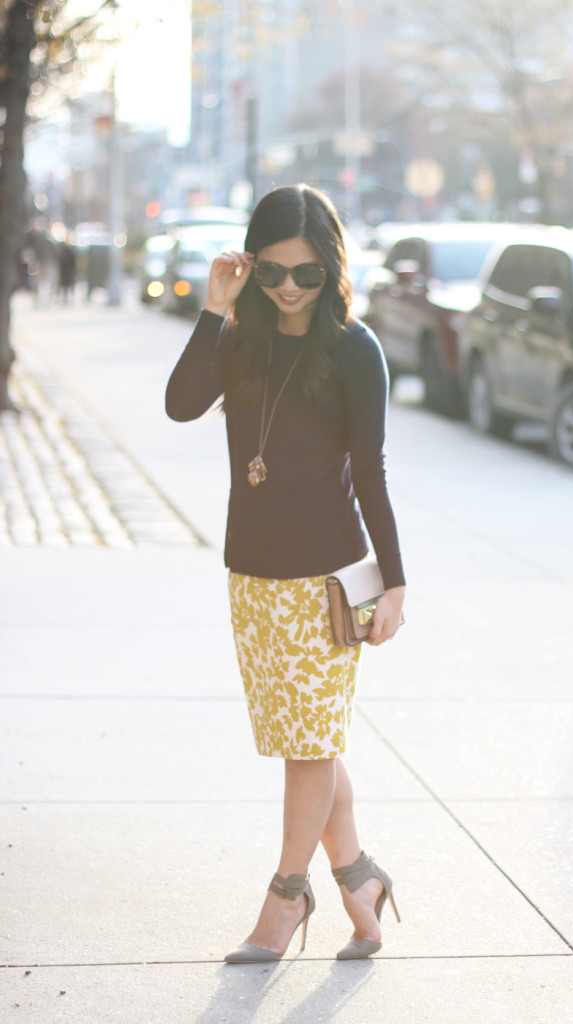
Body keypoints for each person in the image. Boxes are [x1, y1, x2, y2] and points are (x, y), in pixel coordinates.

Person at [165, 184, 406, 963]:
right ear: (251, 265)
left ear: (331, 268)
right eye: (272, 272)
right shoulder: (242, 338)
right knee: (306, 739)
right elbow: (180, 404)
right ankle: (360, 879)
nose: (290, 288)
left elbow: (370, 471)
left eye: (306, 273)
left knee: (308, 743)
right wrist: (216, 308)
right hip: (251, 573)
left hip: (328, 578)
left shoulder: (355, 350)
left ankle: (286, 896)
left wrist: (393, 581)